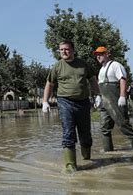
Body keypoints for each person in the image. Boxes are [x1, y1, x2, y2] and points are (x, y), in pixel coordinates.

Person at [42, 40, 102, 173]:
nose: (64, 52)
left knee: (85, 134)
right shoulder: (57, 66)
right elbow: (49, 84)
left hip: (83, 103)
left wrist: (98, 95)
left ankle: (86, 158)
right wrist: (45, 101)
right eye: (61, 50)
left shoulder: (83, 64)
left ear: (73, 50)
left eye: (67, 49)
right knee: (68, 132)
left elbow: (92, 79)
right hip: (65, 102)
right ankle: (70, 165)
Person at [93, 46, 133, 153]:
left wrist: (122, 96)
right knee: (104, 128)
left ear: (107, 54)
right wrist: (98, 96)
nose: (98, 56)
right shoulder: (101, 69)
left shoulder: (115, 65)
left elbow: (123, 79)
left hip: (116, 101)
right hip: (105, 103)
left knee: (124, 126)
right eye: (97, 55)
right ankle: (109, 153)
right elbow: (100, 85)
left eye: (101, 54)